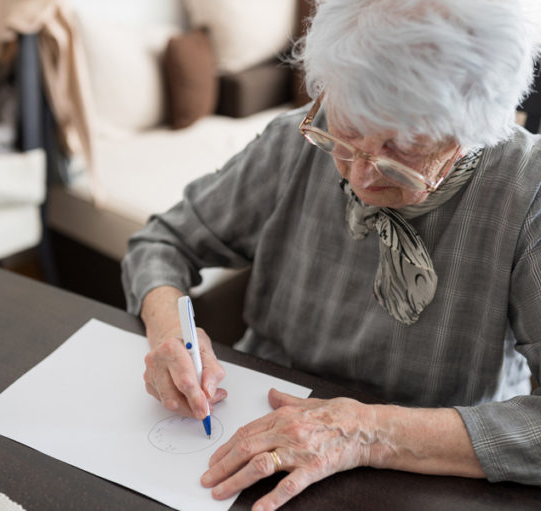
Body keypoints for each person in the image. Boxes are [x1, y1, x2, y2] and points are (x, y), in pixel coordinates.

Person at [122, 0, 541, 508]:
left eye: (403, 153)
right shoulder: (292, 140)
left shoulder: (527, 194)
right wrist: (169, 333)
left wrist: (364, 431)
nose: (360, 179)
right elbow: (163, 241)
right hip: (258, 431)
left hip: (425, 479)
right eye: (344, 133)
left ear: (474, 132)